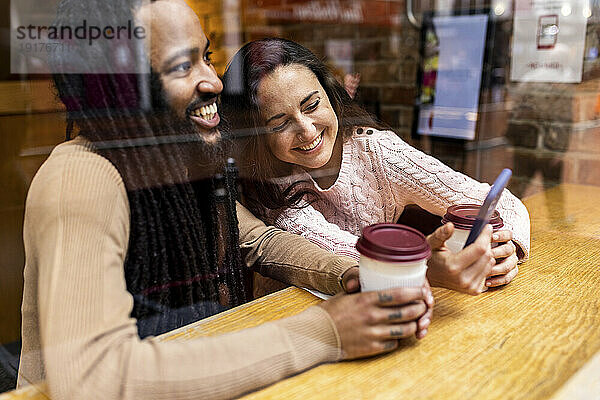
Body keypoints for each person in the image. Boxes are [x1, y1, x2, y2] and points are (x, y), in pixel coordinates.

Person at [17, 1, 438, 399]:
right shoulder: (81, 177)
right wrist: (326, 331)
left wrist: (347, 275)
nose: (215, 82)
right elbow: (94, 378)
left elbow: (257, 240)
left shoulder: (175, 162)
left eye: (207, 56)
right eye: (183, 65)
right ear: (123, 89)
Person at [221, 38, 529, 295]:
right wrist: (423, 267)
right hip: (293, 311)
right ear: (256, 137)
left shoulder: (375, 151)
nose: (307, 130)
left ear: (331, 95)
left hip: (380, 301)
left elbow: (501, 201)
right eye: (280, 124)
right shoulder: (269, 183)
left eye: (312, 106)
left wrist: (507, 247)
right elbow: (340, 252)